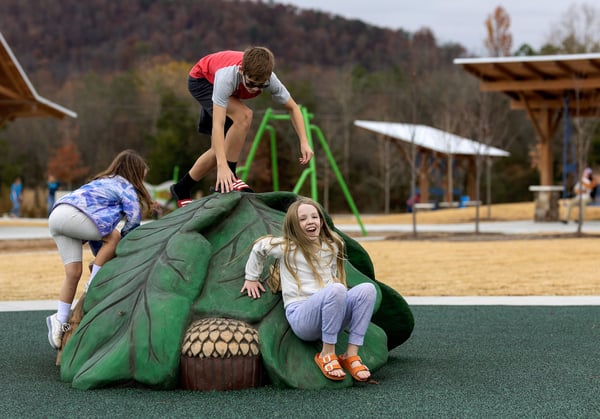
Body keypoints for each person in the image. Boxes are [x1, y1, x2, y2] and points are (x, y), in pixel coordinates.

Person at [242, 197, 376, 382]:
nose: (310, 221)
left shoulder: (331, 246)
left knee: (367, 289)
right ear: (293, 225)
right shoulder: (286, 247)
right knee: (336, 289)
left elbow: (332, 274)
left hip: (331, 314)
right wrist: (251, 278)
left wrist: (336, 285)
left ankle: (350, 355)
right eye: (303, 219)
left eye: (315, 216)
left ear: (321, 221)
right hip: (303, 317)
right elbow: (259, 248)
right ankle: (327, 354)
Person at [170, 47, 313, 205]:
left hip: (227, 90)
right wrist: (222, 167)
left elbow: (293, 108)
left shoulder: (270, 79)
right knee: (244, 115)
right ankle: (231, 175)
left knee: (218, 150)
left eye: (261, 86)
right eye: (251, 83)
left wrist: (304, 142)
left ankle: (182, 188)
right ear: (241, 71)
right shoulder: (226, 77)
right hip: (202, 81)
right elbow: (218, 124)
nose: (255, 89)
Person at [46, 150, 154, 350]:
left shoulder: (102, 181)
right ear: (135, 173)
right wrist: (127, 247)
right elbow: (133, 221)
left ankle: (59, 320)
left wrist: (102, 255)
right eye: (142, 177)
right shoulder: (126, 186)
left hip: (57, 215)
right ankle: (93, 285)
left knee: (73, 272)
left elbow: (98, 232)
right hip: (72, 216)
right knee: (114, 236)